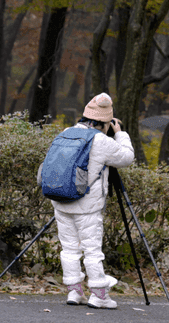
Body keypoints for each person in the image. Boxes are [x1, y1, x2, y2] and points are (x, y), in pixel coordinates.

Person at [50, 93, 134, 309]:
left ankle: (74, 292)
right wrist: (121, 133)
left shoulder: (67, 133)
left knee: (68, 248)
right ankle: (99, 295)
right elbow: (126, 157)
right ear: (106, 122)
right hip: (87, 208)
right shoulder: (101, 140)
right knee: (92, 250)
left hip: (60, 200)